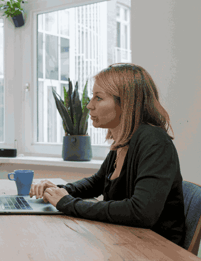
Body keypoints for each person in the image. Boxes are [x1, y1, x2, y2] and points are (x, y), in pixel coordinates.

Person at [30, 63, 185, 246]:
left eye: (98, 98)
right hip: (125, 241)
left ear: (126, 103)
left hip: (156, 250)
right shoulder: (124, 141)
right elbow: (96, 182)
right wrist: (62, 190)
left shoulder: (154, 142)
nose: (89, 106)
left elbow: (141, 212)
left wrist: (68, 203)